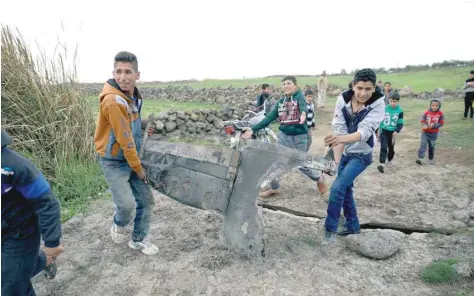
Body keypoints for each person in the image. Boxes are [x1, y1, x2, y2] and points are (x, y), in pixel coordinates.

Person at [94, 51, 158, 255]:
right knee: (127, 205)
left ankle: (138, 239)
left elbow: (130, 127)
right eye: (119, 72)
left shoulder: (133, 97)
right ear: (113, 72)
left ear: (137, 75)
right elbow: (124, 139)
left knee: (146, 201)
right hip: (114, 161)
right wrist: (138, 168)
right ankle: (118, 222)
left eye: (128, 72)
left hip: (131, 157)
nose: (123, 77)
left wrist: (144, 126)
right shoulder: (114, 100)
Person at [322, 68, 385, 244]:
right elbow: (340, 129)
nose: (363, 93)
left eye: (368, 89)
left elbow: (364, 132)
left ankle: (330, 230)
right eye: (359, 88)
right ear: (353, 85)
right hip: (346, 152)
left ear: (374, 88)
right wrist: (335, 161)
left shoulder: (378, 103)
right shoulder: (342, 99)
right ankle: (353, 226)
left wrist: (338, 138)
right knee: (346, 189)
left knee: (337, 189)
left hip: (362, 155)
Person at [1, 129, 64, 296]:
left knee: (10, 288)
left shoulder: (14, 166)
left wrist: (52, 243)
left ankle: (44, 258)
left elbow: (47, 203)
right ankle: (39, 262)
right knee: (15, 278)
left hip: (20, 234)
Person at [242, 76, 327, 198]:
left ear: (295, 85)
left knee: (301, 164)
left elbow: (303, 107)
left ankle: (319, 178)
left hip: (299, 138)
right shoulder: (281, 102)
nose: (286, 86)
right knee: (272, 161)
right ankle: (275, 188)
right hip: (283, 137)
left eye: (288, 83)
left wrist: (303, 114)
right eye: (283, 84)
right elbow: (269, 117)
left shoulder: (300, 97)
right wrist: (252, 129)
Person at [377, 92, 404, 173]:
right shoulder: (384, 109)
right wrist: (378, 129)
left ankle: (389, 160)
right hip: (384, 131)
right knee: (383, 147)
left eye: (394, 101)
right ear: (388, 100)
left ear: (398, 101)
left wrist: (397, 130)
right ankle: (382, 163)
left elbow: (400, 122)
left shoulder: (400, 111)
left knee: (391, 148)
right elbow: (380, 119)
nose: (392, 103)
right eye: (391, 101)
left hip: (392, 133)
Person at [416, 99, 444, 165]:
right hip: (425, 132)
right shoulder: (427, 112)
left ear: (439, 106)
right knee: (423, 144)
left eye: (436, 106)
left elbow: (441, 123)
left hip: (434, 134)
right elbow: (422, 120)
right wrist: (424, 125)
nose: (434, 107)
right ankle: (420, 158)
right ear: (430, 105)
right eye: (433, 105)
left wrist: (434, 125)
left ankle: (431, 159)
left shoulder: (440, 114)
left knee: (431, 146)